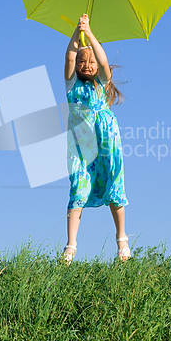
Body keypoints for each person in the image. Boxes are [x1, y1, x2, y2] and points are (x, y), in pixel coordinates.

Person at [63, 14, 130, 263]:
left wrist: (89, 33)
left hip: (106, 141)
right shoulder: (72, 86)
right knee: (79, 188)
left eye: (90, 61)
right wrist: (77, 32)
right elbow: (70, 56)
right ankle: (71, 246)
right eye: (83, 61)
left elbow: (102, 62)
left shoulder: (101, 84)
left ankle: (121, 239)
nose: (87, 65)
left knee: (114, 185)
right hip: (81, 146)